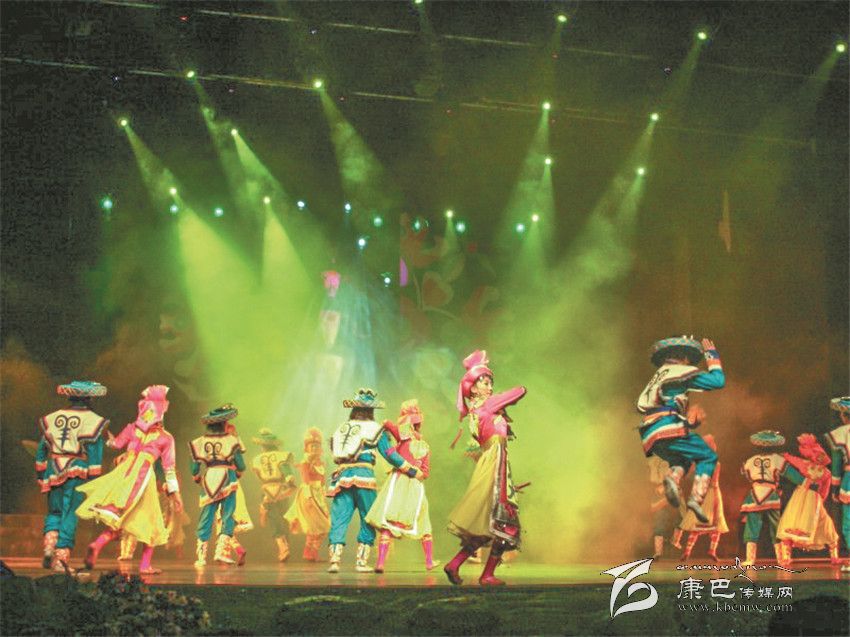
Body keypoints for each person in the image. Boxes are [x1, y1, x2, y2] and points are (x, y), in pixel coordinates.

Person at [77, 385, 182, 575]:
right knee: (152, 520)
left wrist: (106, 437)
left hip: (124, 474)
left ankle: (97, 544)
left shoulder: (132, 428)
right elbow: (169, 469)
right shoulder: (165, 438)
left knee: (120, 518)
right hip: (143, 478)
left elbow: (115, 444)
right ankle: (145, 565)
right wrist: (176, 495)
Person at [444, 350, 527, 586]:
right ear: (472, 388)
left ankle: (455, 564)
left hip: (492, 462)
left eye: (491, 383)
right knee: (504, 523)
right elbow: (520, 391)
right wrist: (501, 396)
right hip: (495, 464)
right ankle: (487, 574)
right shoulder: (488, 406)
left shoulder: (476, 411)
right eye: (485, 383)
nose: (490, 388)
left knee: (489, 525)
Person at [327, 388, 422, 573]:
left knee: (339, 519)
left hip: (342, 477)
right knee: (368, 518)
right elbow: (390, 454)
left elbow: (336, 454)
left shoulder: (341, 428)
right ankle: (361, 562)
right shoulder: (374, 428)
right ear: (371, 410)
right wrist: (411, 470)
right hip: (364, 477)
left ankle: (334, 561)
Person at [637, 336, 725, 523]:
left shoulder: (659, 375)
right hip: (666, 426)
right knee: (708, 456)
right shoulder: (680, 371)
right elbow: (718, 381)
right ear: (684, 357)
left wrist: (691, 423)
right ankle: (696, 498)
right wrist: (712, 357)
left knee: (683, 459)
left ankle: (673, 477)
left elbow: (661, 405)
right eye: (689, 360)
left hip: (650, 434)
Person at [36, 381, 109, 571]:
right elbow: (95, 454)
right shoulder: (93, 420)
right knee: (70, 513)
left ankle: (49, 546)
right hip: (77, 470)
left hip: (53, 469)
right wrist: (94, 482)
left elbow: (42, 448)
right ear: (89, 399)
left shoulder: (53, 417)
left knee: (54, 512)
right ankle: (61, 560)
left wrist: (41, 473)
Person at [366, 399, 439, 572]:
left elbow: (390, 426)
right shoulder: (422, 444)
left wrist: (387, 423)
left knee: (390, 520)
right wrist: (418, 472)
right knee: (422, 520)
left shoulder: (408, 438)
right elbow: (425, 472)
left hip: (401, 482)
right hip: (413, 485)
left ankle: (381, 563)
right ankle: (428, 561)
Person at [188, 404, 246, 567]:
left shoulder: (200, 441)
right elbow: (241, 465)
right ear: (224, 424)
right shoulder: (231, 440)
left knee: (206, 516)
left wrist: (197, 477)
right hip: (227, 477)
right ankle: (220, 552)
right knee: (227, 515)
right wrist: (239, 473)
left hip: (209, 478)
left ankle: (201, 558)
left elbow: (194, 468)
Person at [776, 433, 840, 568]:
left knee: (817, 523)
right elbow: (824, 492)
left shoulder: (822, 471)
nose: (819, 457)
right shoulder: (810, 467)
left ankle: (834, 557)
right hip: (805, 497)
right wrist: (785, 456)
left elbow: (824, 490)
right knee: (793, 522)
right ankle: (786, 557)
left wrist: (785, 456)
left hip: (808, 498)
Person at [738, 430, 787, 566]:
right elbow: (790, 473)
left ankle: (750, 559)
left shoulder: (750, 461)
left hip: (755, 494)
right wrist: (805, 481)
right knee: (776, 526)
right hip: (771, 495)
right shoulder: (778, 459)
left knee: (752, 525)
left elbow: (745, 474)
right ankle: (781, 559)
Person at [676, 435, 728, 561]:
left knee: (699, 523)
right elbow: (712, 481)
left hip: (702, 493)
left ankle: (689, 551)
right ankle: (710, 550)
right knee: (714, 524)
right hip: (710, 492)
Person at [252, 428, 297, 562]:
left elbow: (259, 475)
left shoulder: (257, 459)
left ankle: (283, 547)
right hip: (281, 489)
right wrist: (289, 480)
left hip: (268, 490)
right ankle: (284, 546)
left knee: (274, 518)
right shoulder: (280, 456)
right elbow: (286, 470)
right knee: (281, 517)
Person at [284, 427, 329, 561]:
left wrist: (324, 493)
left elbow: (322, 481)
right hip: (308, 494)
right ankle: (311, 551)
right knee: (321, 525)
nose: (314, 448)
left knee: (320, 526)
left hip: (318, 494)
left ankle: (310, 552)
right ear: (307, 448)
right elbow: (306, 480)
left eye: (316, 446)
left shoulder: (321, 463)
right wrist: (309, 497)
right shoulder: (305, 463)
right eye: (312, 446)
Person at [826, 397, 850, 572]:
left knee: (848, 521)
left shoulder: (839, 434)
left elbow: (836, 466)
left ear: (843, 415)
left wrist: (834, 488)